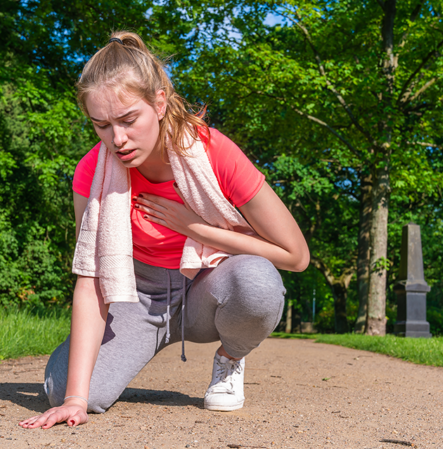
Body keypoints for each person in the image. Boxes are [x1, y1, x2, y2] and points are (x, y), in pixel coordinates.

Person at [19, 31, 309, 430]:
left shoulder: (214, 152)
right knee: (67, 391)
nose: (116, 139)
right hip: (135, 297)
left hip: (207, 286)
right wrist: (75, 398)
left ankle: (230, 358)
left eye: (127, 120)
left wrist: (198, 229)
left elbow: (296, 256)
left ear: (159, 102)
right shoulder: (93, 170)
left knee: (256, 283)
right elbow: (91, 278)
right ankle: (108, 353)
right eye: (101, 125)